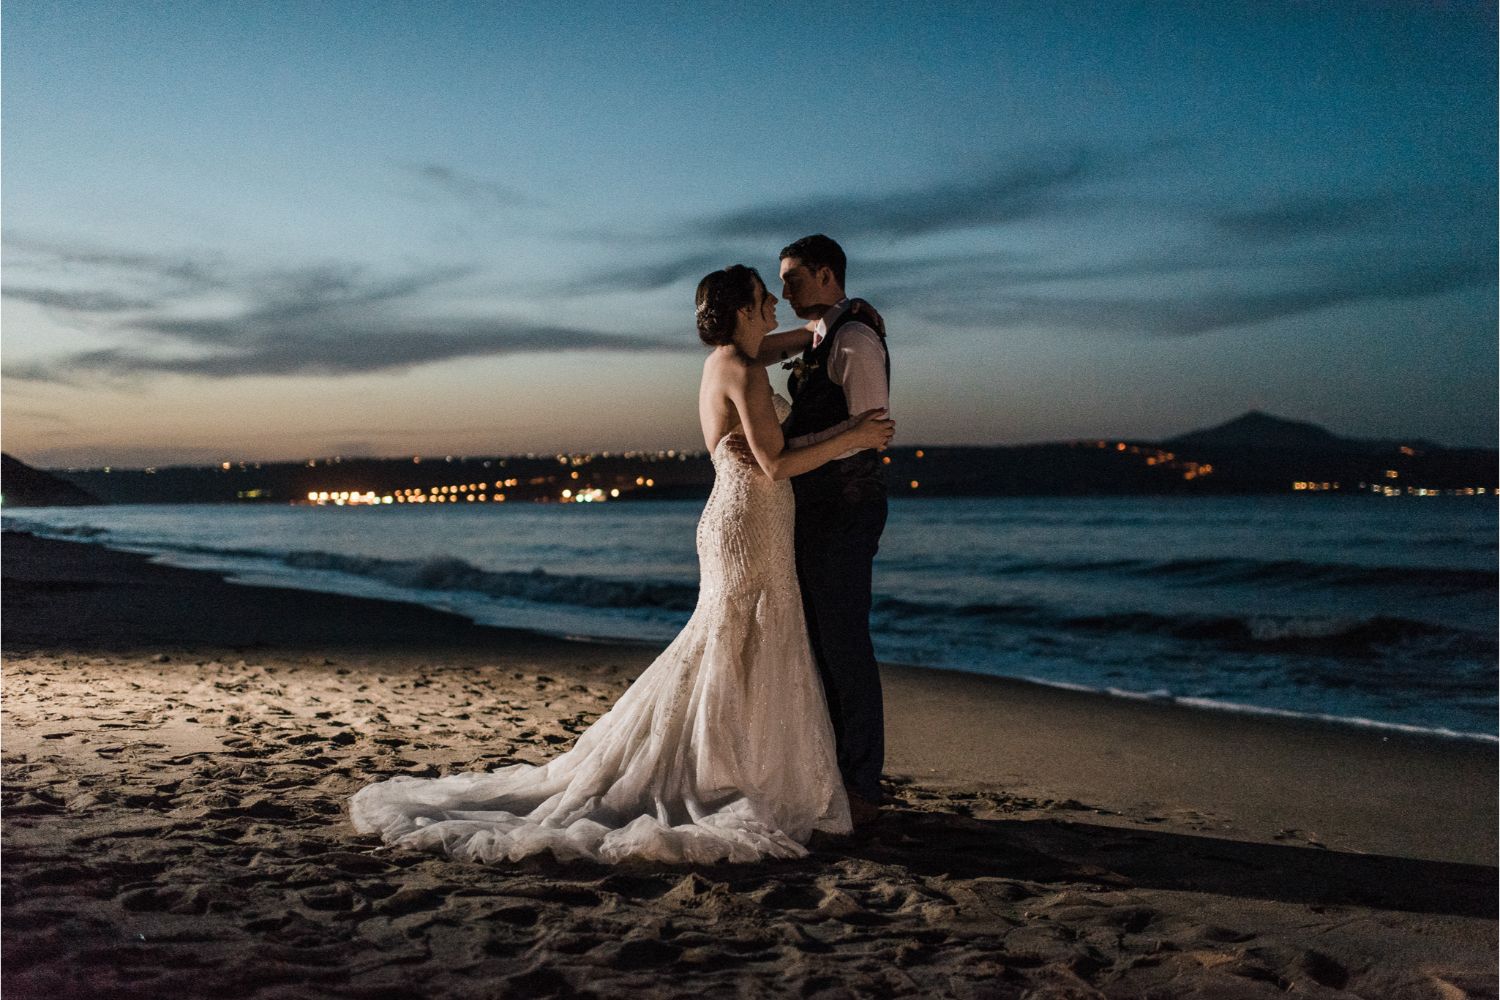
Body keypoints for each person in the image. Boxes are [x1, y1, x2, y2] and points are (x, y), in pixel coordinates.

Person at [349, 264, 894, 865]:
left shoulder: (729, 360)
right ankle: (725, 776)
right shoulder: (741, 370)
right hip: (749, 518)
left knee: (740, 643)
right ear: (742, 311)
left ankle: (736, 767)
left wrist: (840, 318)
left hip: (744, 519)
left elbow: (789, 341)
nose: (775, 307)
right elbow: (774, 463)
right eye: (765, 299)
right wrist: (855, 437)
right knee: (739, 641)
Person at [774, 235, 891, 829]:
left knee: (845, 645)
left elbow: (869, 433)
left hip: (845, 509)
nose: (784, 290)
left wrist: (790, 444)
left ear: (825, 274)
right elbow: (746, 350)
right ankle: (842, 770)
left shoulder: (855, 338)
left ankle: (863, 780)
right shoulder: (824, 333)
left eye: (792, 278)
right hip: (816, 507)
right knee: (821, 643)